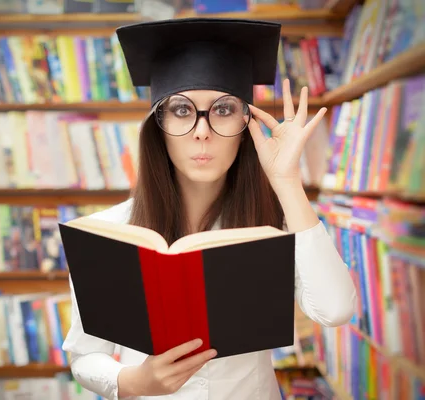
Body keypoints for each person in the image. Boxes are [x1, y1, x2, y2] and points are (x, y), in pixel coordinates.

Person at [62, 18, 356, 400]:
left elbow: (335, 310)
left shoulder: (278, 224)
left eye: (223, 109)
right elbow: (85, 356)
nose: (202, 130)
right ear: (160, 125)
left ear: (246, 122)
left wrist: (286, 182)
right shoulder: (109, 232)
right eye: (182, 111)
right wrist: (135, 382)